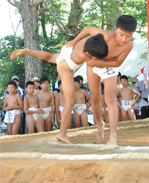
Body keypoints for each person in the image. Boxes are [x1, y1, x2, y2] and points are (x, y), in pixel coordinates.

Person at [10, 33, 108, 144]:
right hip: (66, 65)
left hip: (67, 51)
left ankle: (28, 51)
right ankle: (62, 134)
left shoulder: (89, 40)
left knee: (50, 57)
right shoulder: (86, 55)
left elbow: (89, 29)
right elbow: (95, 62)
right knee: (70, 101)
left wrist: (74, 40)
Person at [66, 15, 137, 145]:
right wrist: (73, 41)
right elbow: (87, 29)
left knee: (110, 97)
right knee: (95, 97)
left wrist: (99, 63)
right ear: (116, 29)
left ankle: (113, 136)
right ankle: (100, 124)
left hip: (108, 66)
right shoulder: (104, 35)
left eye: (129, 36)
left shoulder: (128, 46)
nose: (124, 39)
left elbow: (117, 63)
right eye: (121, 34)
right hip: (92, 64)